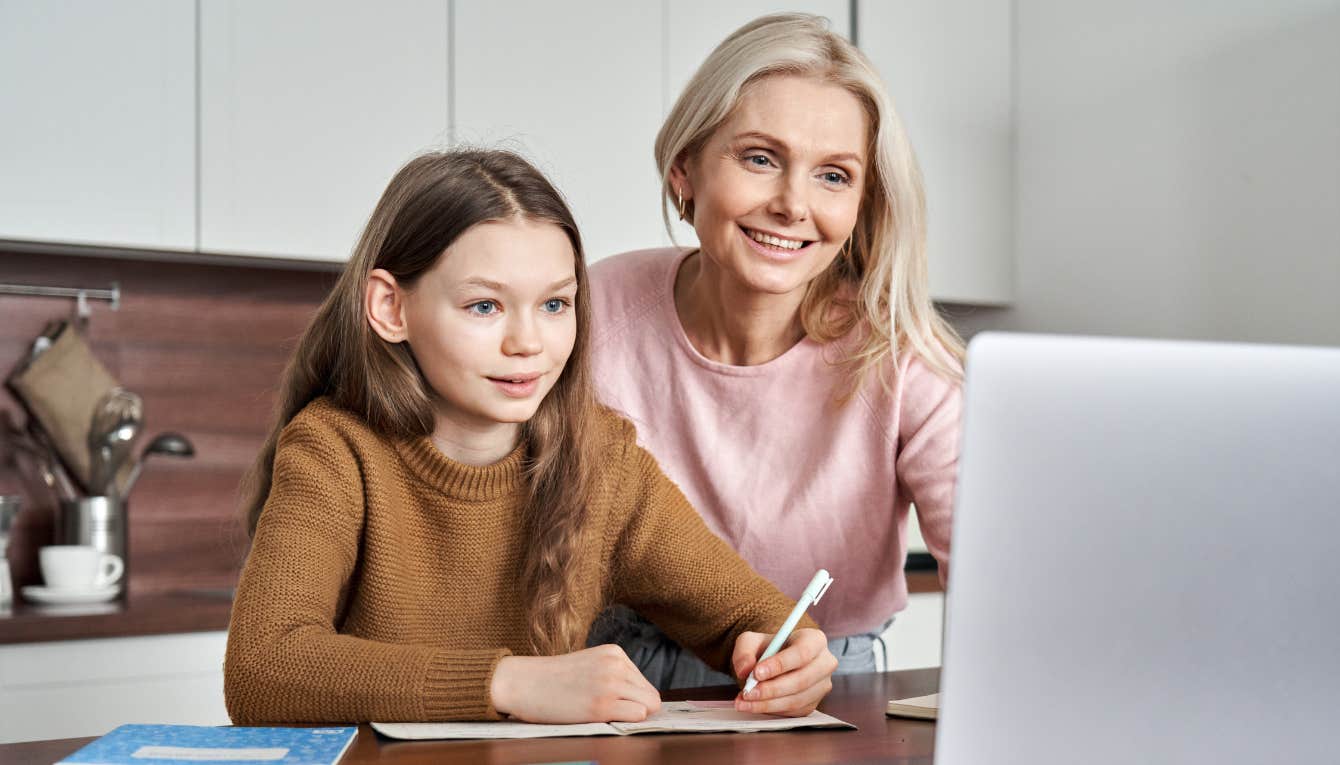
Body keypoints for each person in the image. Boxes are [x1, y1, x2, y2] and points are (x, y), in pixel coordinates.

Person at [223, 148, 837, 724]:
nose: (528, 343)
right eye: (484, 306)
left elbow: (747, 613)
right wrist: (511, 683)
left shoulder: (602, 459)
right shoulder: (335, 450)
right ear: (391, 307)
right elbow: (263, 667)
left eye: (554, 305)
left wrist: (796, 652)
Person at [587, 13, 964, 689]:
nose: (793, 204)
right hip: (619, 675)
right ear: (684, 170)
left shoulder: (903, 358)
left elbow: (987, 570)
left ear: (860, 204)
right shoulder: (594, 311)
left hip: (839, 683)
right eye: (760, 158)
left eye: (834, 176)